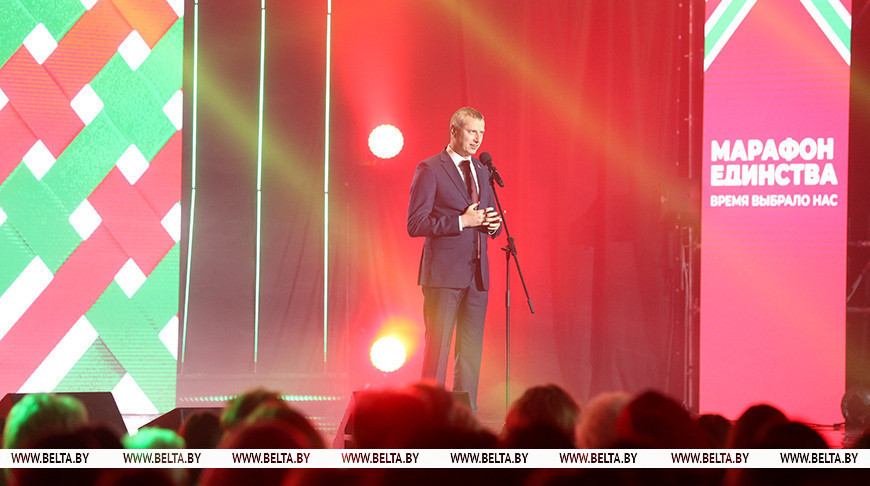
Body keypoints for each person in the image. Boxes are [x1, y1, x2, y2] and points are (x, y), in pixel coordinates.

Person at [407, 107, 502, 413]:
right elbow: (415, 224)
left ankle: (465, 420)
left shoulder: (483, 171)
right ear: (454, 131)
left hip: (477, 277)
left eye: (481, 133)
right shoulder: (430, 168)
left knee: (471, 354)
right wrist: (462, 221)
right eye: (472, 131)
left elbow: (486, 217)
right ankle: (429, 418)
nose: (477, 139)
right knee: (438, 352)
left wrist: (493, 225)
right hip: (444, 276)